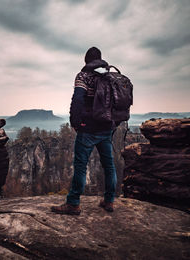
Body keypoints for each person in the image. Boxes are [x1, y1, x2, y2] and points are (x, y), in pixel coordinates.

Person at [51, 47, 118, 215]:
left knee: (81, 167)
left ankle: (73, 203)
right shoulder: (109, 76)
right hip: (107, 128)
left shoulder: (83, 76)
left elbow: (78, 100)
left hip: (88, 129)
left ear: (86, 60)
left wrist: (75, 122)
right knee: (109, 166)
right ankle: (109, 201)